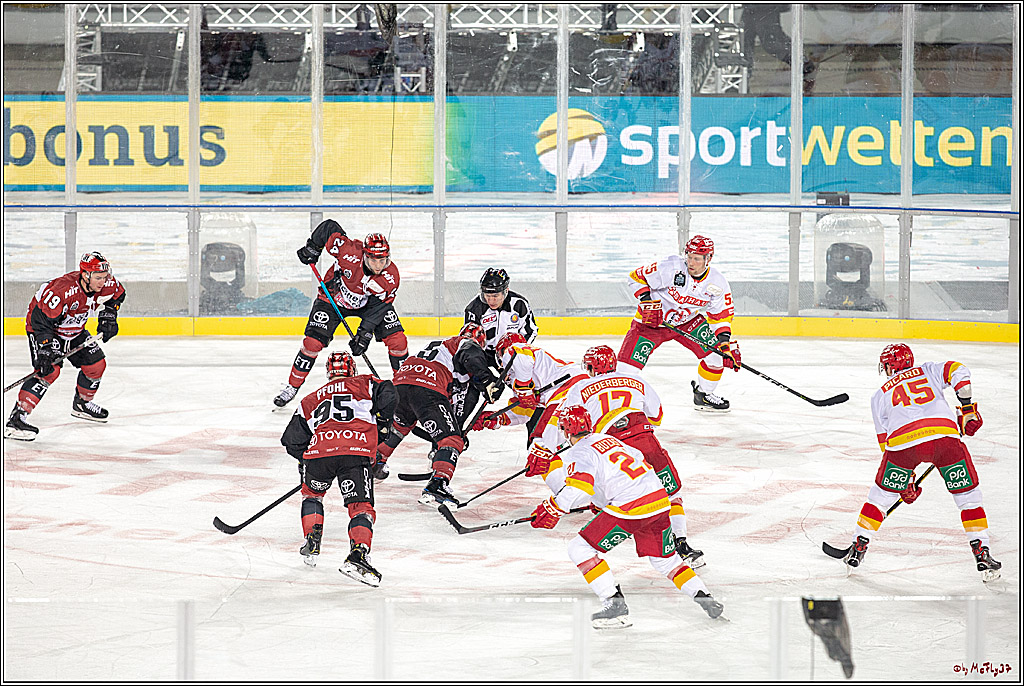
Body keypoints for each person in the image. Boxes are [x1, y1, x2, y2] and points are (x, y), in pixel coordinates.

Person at [529, 405, 724, 629]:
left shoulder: (578, 451)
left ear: (565, 430)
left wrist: (553, 506)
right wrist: (601, 503)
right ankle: (706, 597)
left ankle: (614, 605)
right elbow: (634, 461)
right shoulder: (609, 440)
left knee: (579, 549)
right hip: (659, 499)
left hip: (631, 505)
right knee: (665, 560)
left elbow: (579, 486)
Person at [841, 343, 1001, 581]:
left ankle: (859, 545)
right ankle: (981, 551)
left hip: (903, 447)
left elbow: (885, 443)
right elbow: (959, 370)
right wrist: (966, 408)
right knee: (968, 498)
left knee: (880, 498)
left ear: (888, 366)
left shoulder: (879, 395)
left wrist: (904, 480)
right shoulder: (929, 370)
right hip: (944, 441)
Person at [539, 345, 705, 567]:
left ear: (592, 366)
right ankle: (681, 545)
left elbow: (562, 423)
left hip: (610, 447)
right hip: (646, 442)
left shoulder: (581, 387)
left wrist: (544, 450)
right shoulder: (636, 379)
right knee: (671, 493)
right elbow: (656, 416)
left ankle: (609, 535)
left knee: (607, 496)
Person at [280, 351, 397, 587]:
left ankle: (312, 540)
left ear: (328, 373)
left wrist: (306, 460)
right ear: (351, 369)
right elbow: (390, 392)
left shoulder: (310, 399)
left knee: (312, 495)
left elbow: (291, 440)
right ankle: (358, 554)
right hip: (355, 453)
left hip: (319, 455)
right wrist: (383, 425)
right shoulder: (365, 382)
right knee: (360, 508)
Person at [274, 218, 408, 408]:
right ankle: (291, 387)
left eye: (383, 260)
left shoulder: (391, 276)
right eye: (373, 260)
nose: (378, 265)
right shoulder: (348, 251)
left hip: (369, 305)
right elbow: (329, 226)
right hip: (332, 298)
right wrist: (313, 248)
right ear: (364, 256)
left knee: (398, 340)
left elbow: (378, 309)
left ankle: (405, 388)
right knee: (312, 343)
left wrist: (365, 333)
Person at [375, 323, 504, 505]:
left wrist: (454, 429)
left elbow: (458, 405)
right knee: (452, 441)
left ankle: (375, 463)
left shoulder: (442, 350)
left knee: (400, 426)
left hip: (400, 384)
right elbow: (471, 353)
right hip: (426, 386)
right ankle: (438, 484)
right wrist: (487, 380)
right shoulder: (465, 344)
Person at [5, 252, 125, 441]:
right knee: (48, 371)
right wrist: (45, 347)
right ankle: (16, 419)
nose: (103, 282)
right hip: (45, 329)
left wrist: (109, 314)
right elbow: (40, 320)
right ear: (85, 275)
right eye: (98, 278)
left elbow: (118, 295)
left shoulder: (106, 284)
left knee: (96, 365)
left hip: (74, 329)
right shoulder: (62, 290)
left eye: (105, 277)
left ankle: (82, 405)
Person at [617, 235, 739, 412]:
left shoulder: (717, 282)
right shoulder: (670, 267)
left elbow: (720, 315)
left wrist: (725, 343)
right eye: (689, 256)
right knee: (624, 371)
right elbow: (635, 277)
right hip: (651, 324)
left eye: (697, 258)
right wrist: (647, 301)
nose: (691, 262)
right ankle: (621, 408)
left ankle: (703, 395)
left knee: (717, 356)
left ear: (708, 259)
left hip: (686, 322)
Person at [470, 332, 588, 451]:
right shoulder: (520, 374)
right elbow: (524, 412)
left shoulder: (517, 350)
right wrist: (498, 418)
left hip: (568, 386)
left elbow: (520, 357)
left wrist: (524, 389)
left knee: (541, 442)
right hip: (582, 389)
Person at [464, 267, 538, 355]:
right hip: (483, 354)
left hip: (510, 352)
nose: (491, 301)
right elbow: (468, 339)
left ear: (506, 291)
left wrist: (518, 350)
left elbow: (531, 331)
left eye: (495, 296)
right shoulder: (474, 308)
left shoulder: (519, 304)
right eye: (487, 296)